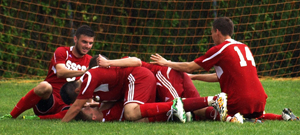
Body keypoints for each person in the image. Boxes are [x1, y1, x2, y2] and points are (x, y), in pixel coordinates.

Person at [150, 17, 268, 123]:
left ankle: (232, 119)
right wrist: (195, 77)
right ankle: (275, 117)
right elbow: (224, 76)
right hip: (260, 102)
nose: (211, 36)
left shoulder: (220, 49)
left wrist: (166, 63)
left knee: (197, 108)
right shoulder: (244, 46)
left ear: (217, 32)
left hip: (239, 102)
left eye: (211, 32)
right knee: (253, 113)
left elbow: (190, 66)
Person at [60, 56, 227, 123]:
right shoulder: (100, 91)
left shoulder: (102, 72)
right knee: (201, 113)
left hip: (162, 74)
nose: (84, 102)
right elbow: (106, 103)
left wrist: (109, 62)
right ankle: (231, 116)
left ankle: (213, 99)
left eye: (81, 101)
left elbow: (137, 61)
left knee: (174, 108)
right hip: (158, 79)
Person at [0, 25, 94, 120]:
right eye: (84, 42)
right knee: (44, 86)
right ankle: (12, 115)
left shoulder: (90, 60)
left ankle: (37, 118)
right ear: (75, 39)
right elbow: (60, 72)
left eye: (90, 43)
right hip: (49, 100)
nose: (87, 46)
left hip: (68, 104)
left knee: (79, 110)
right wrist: (83, 72)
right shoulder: (62, 51)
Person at [189, 73, 300, 121]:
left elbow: (193, 66)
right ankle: (281, 117)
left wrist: (192, 76)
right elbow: (219, 76)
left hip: (242, 98)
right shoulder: (243, 48)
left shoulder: (224, 51)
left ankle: (243, 120)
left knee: (210, 111)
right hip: (259, 96)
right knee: (260, 115)